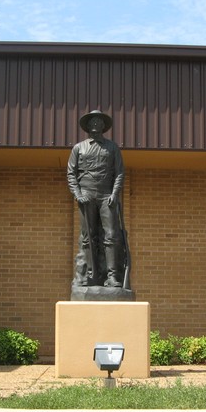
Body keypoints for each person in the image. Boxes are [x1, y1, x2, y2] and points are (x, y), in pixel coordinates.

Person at [67, 110, 127, 287]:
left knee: (111, 236)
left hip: (105, 195)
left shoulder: (112, 147)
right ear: (87, 125)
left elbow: (119, 173)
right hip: (86, 194)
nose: (95, 123)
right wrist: (78, 194)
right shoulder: (78, 148)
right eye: (92, 121)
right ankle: (88, 275)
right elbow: (71, 173)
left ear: (103, 126)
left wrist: (115, 194)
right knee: (87, 237)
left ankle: (112, 276)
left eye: (99, 121)